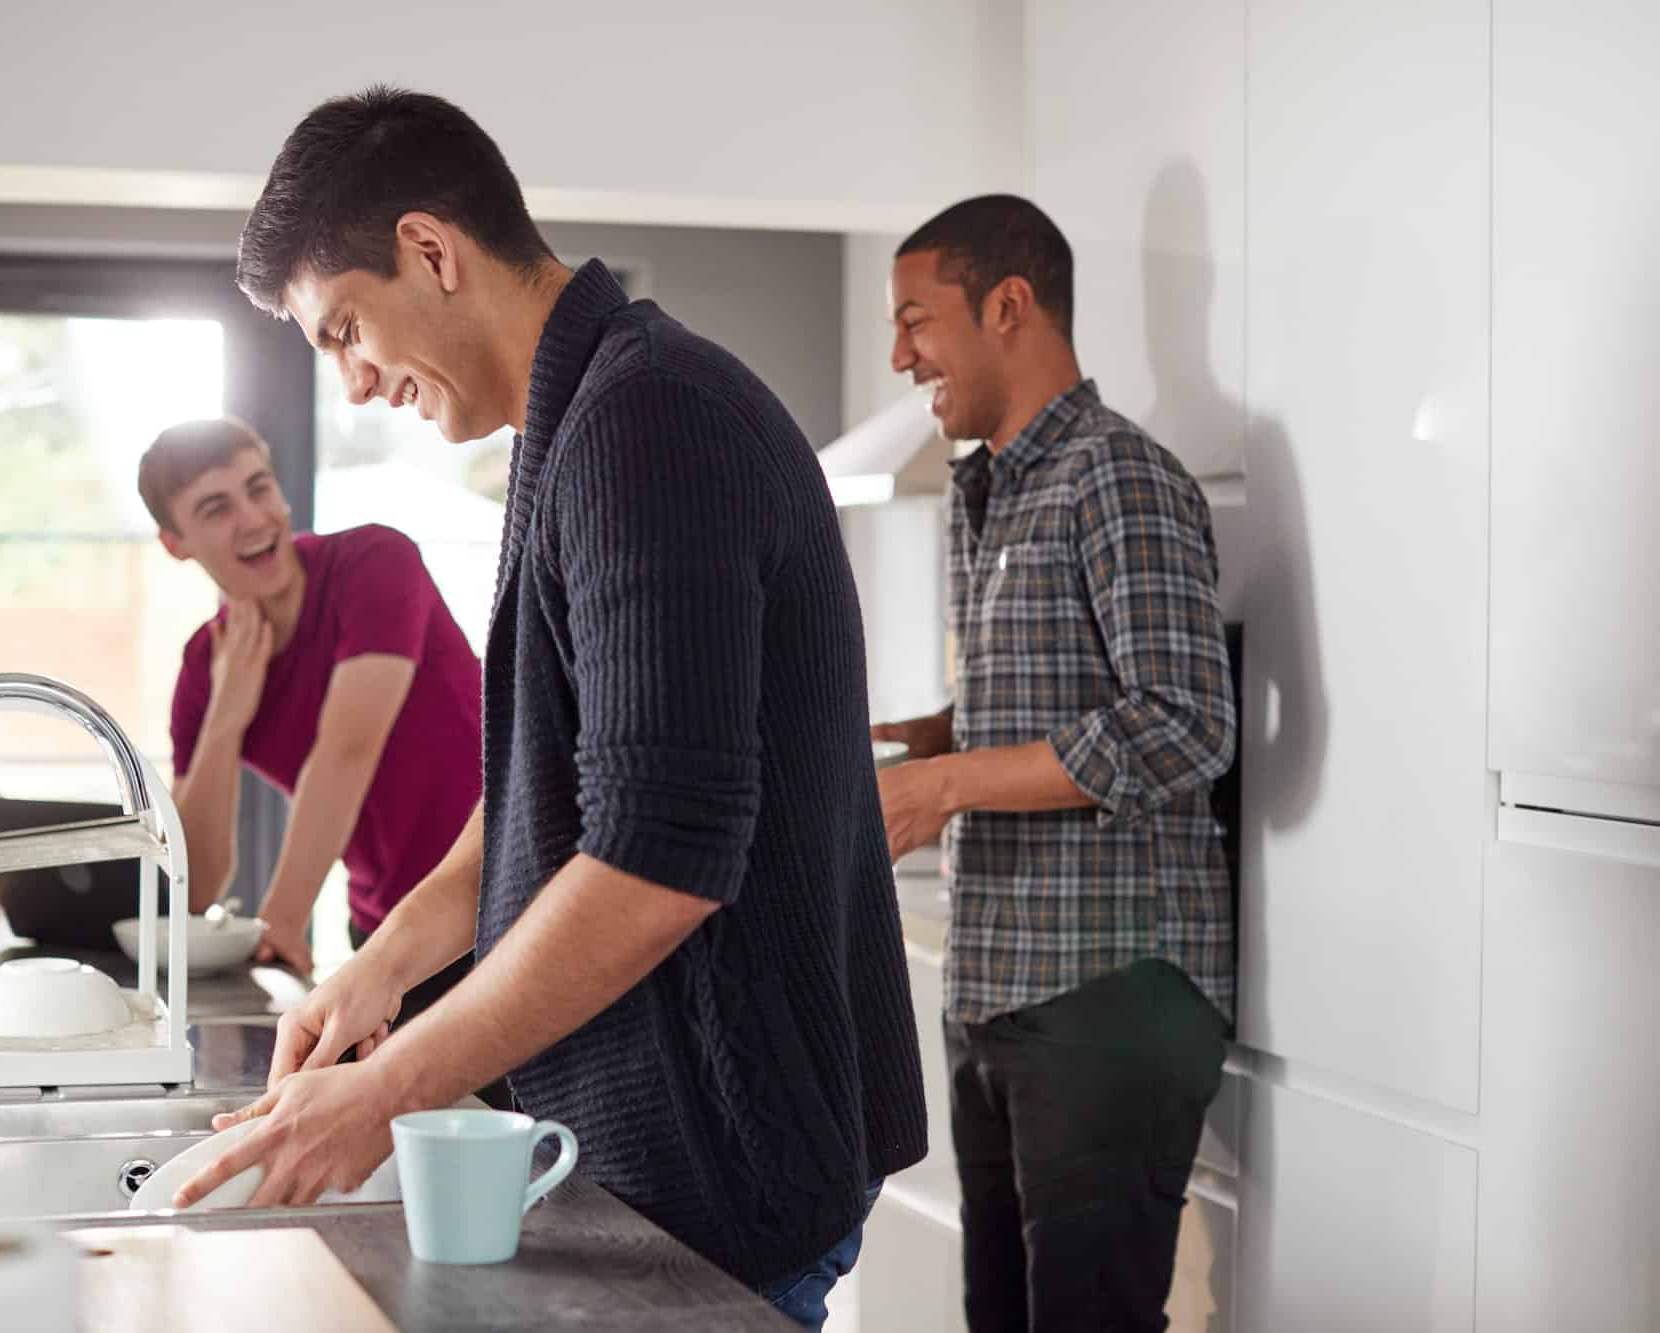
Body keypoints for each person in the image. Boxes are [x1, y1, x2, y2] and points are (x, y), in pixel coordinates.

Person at [172, 87, 926, 1328]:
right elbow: (556, 789)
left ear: (430, 249)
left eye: (345, 329)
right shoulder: (575, 421)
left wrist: (383, 1093)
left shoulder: (649, 422)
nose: (354, 384)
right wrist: (382, 968)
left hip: (720, 1171)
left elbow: (655, 861)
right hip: (663, 1158)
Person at [871, 195, 1236, 1332]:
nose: (898, 355)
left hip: (1108, 996)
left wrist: (940, 786)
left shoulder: (1115, 475)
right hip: (1001, 988)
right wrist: (914, 740)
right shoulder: (992, 489)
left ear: (1007, 305)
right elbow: (1056, 695)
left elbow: (1183, 721)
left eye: (914, 320)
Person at [142, 418, 486, 1040]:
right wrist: (226, 717)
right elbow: (197, 882)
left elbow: (347, 751)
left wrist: (281, 921)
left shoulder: (375, 562)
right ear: (176, 542)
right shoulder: (205, 666)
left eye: (260, 487)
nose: (253, 518)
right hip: (383, 931)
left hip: (497, 902)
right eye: (216, 508)